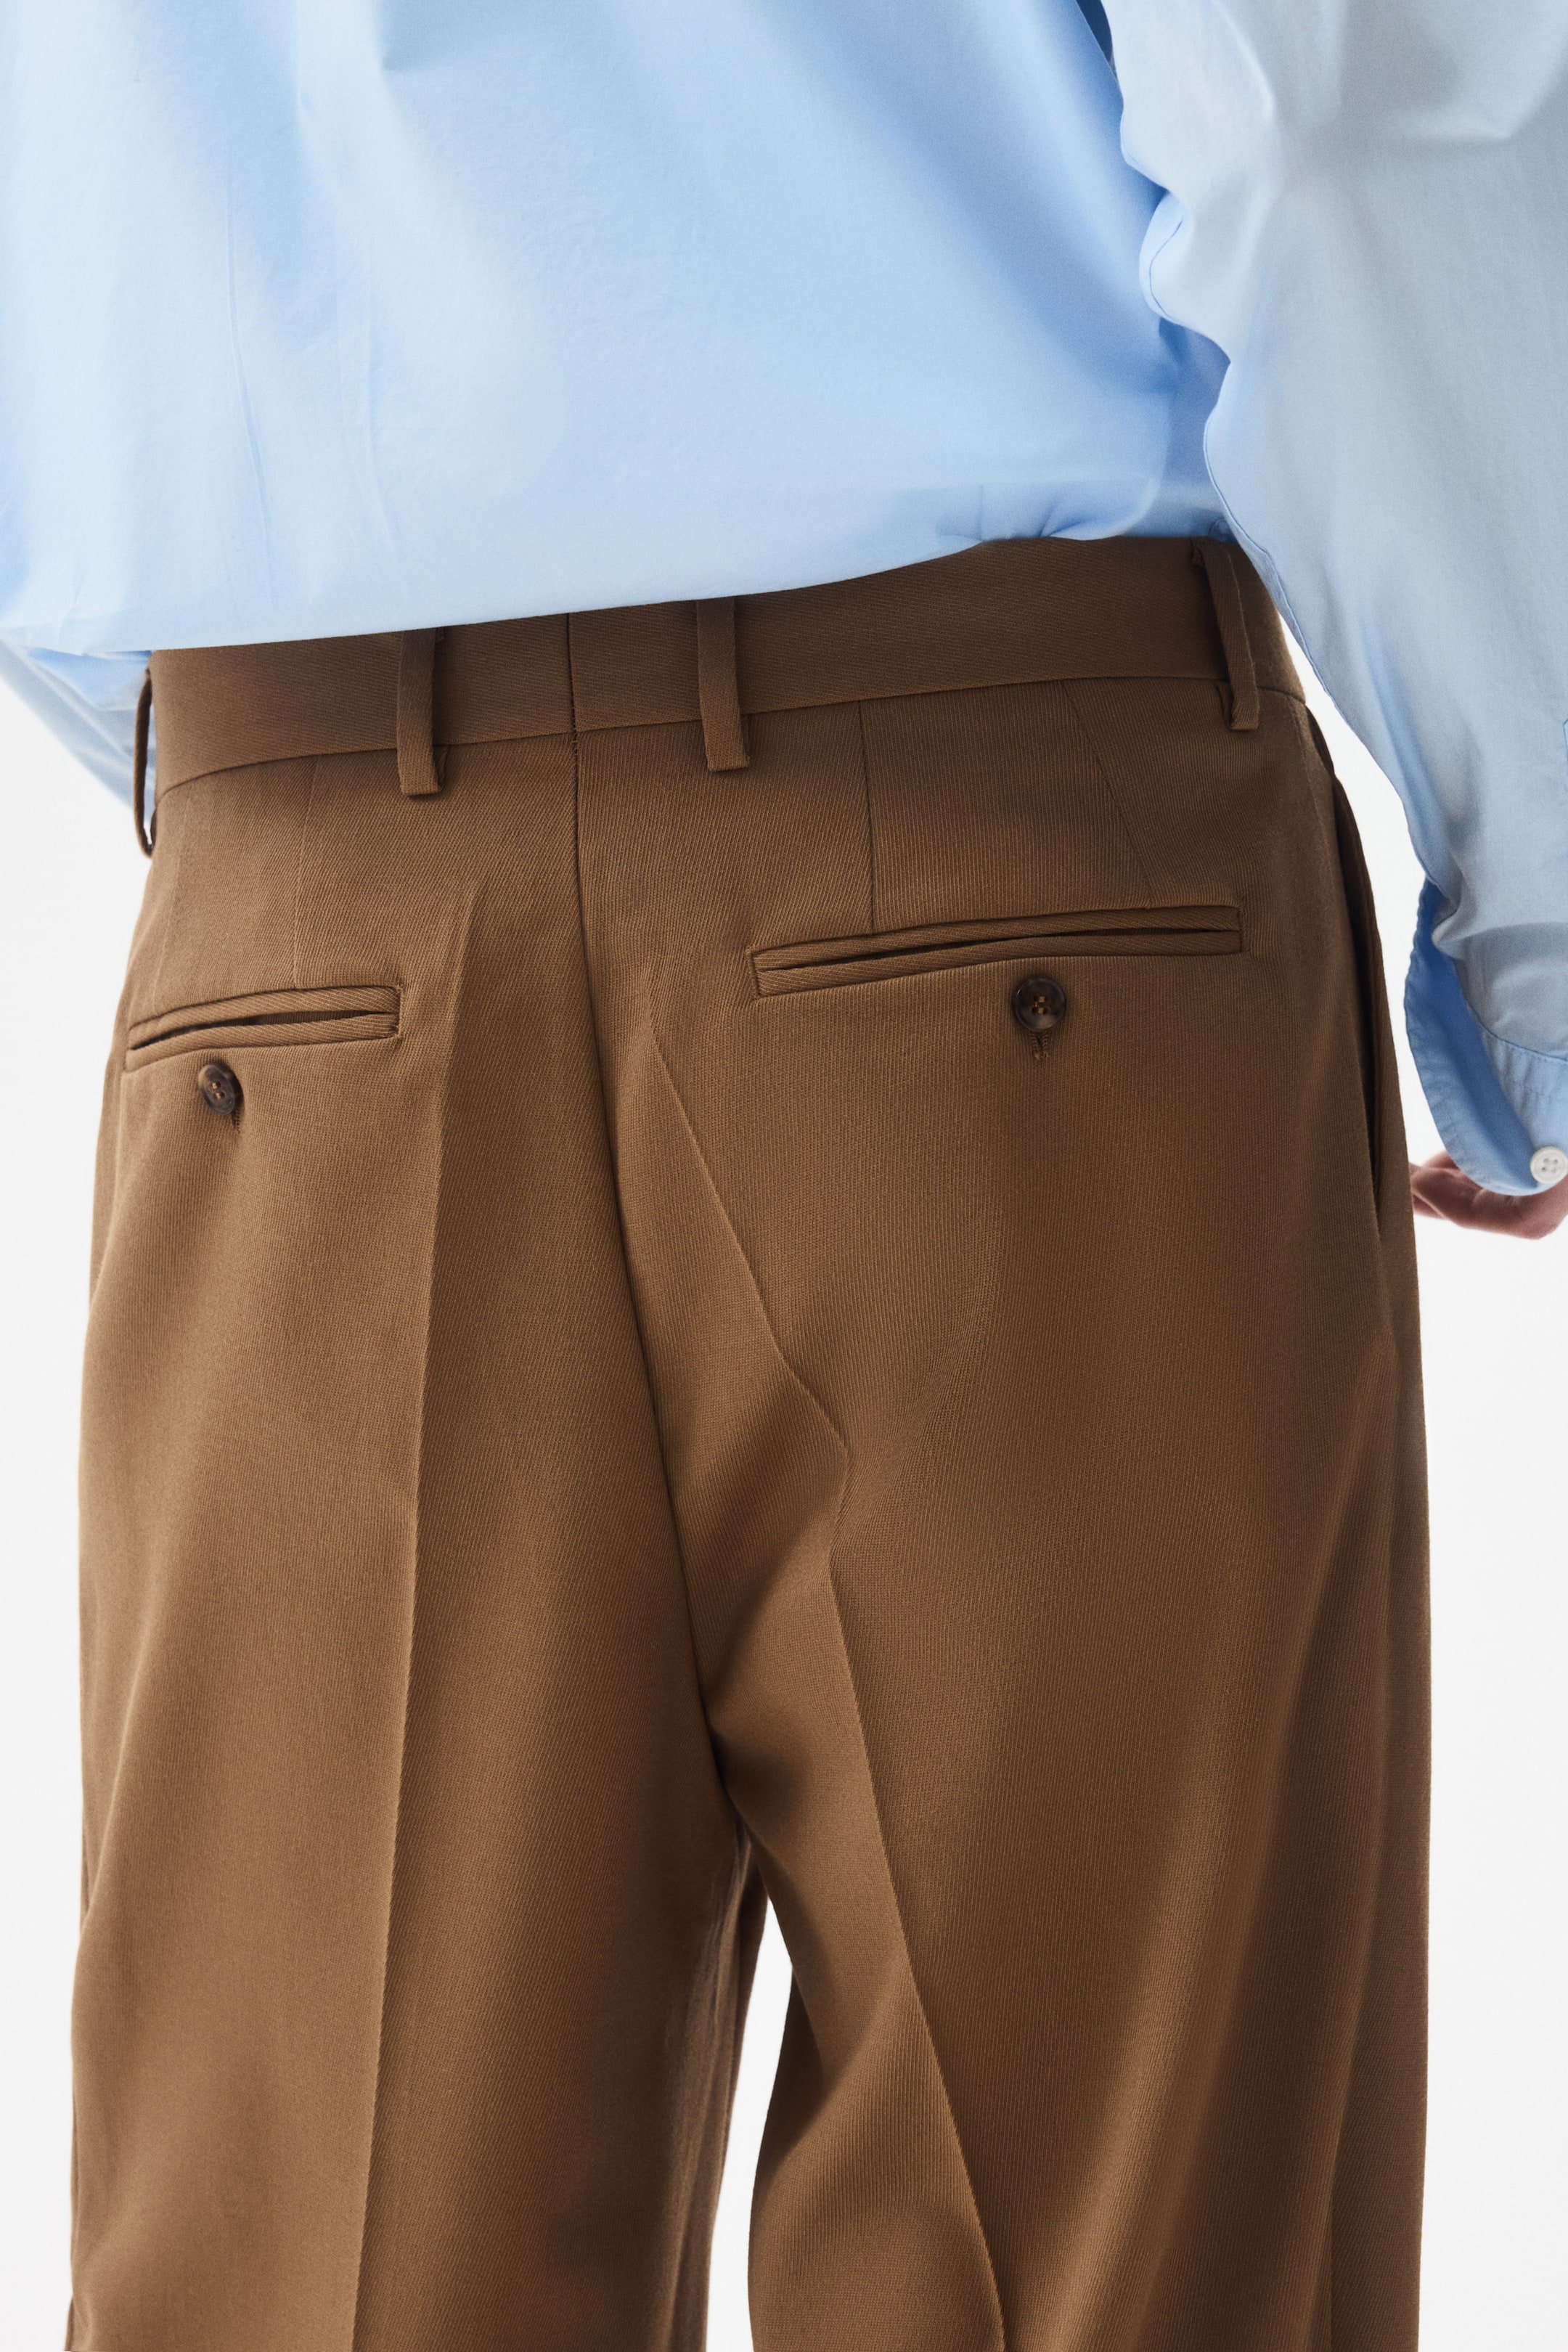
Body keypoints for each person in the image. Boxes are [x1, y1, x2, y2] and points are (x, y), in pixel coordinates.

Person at [3, 7, 1564, 2348]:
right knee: (1105, 2278)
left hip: (300, 942)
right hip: (1021, 879)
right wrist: (1540, 887)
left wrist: (261, 776)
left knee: (312, 2278)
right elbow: (1321, 110)